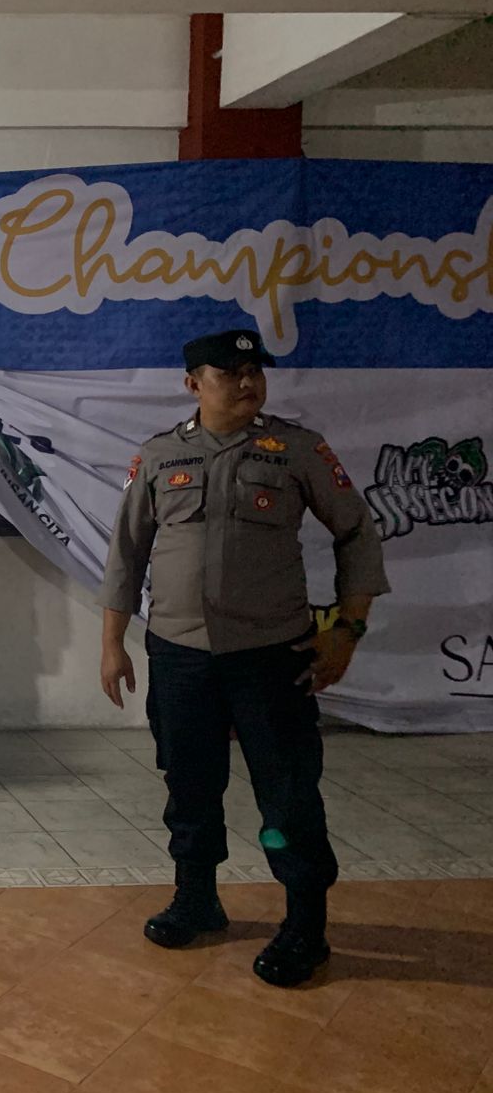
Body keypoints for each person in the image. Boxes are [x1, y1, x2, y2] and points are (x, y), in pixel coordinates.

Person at [98, 327, 389, 988]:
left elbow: (357, 532)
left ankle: (306, 926)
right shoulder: (160, 455)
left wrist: (347, 630)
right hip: (181, 655)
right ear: (193, 383)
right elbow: (126, 554)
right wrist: (112, 644)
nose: (247, 381)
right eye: (229, 372)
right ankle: (196, 899)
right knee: (189, 784)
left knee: (287, 793)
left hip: (271, 657)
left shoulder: (297, 450)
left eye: (254, 370)